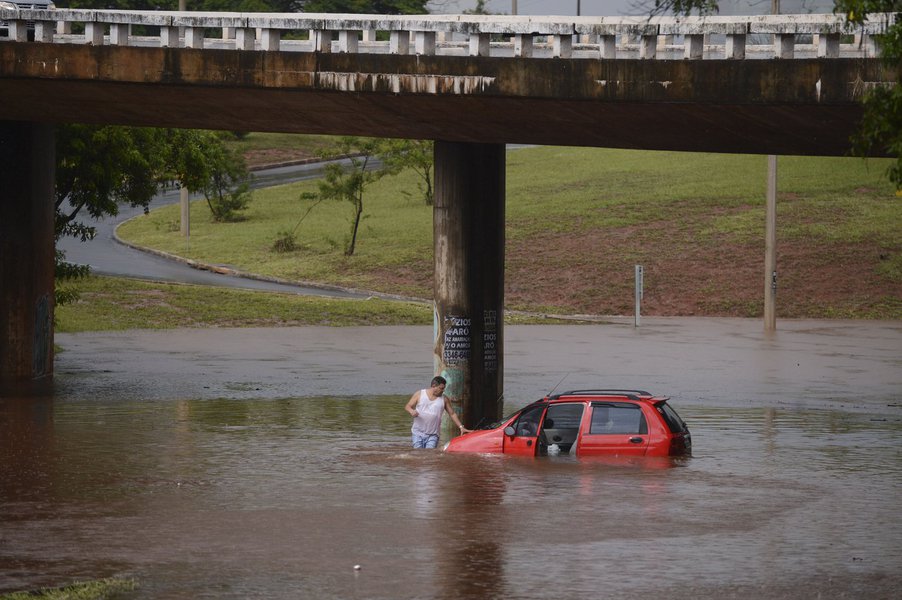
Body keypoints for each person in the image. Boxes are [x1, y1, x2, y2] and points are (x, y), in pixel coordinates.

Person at [405, 376, 472, 449]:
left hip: (433, 435)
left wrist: (461, 427)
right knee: (419, 455)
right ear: (434, 386)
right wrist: (411, 411)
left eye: (444, 388)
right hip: (417, 433)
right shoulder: (419, 394)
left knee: (430, 456)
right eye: (441, 388)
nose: (443, 391)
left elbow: (452, 414)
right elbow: (408, 406)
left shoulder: (444, 399)